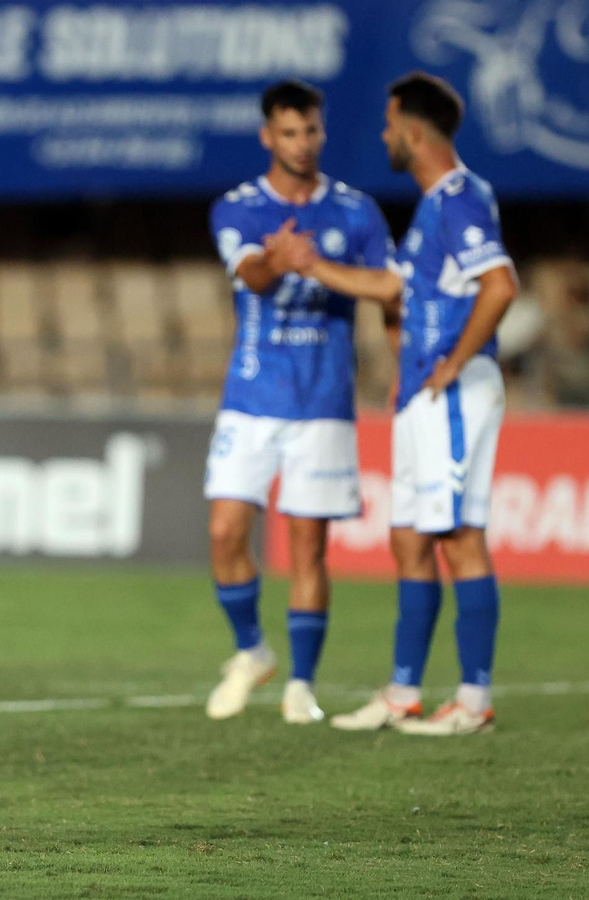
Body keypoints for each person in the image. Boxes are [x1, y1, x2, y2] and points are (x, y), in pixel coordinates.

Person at [287, 73, 517, 736]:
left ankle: (473, 702)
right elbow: (393, 288)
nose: (385, 135)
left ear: (413, 133)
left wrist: (456, 359)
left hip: (451, 392)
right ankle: (403, 694)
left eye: (390, 125)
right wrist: (313, 266)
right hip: (421, 396)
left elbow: (500, 285)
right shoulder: (433, 209)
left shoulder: (459, 199)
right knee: (409, 538)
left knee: (459, 538)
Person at [202, 80, 394, 724]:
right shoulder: (238, 208)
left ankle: (302, 686)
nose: (302, 143)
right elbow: (251, 275)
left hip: (322, 403)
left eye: (310, 130)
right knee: (225, 531)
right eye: (289, 132)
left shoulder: (356, 211)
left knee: (309, 549)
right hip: (251, 398)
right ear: (268, 136)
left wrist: (318, 267)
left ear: (322, 132)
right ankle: (253, 651)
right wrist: (282, 259)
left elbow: (390, 285)